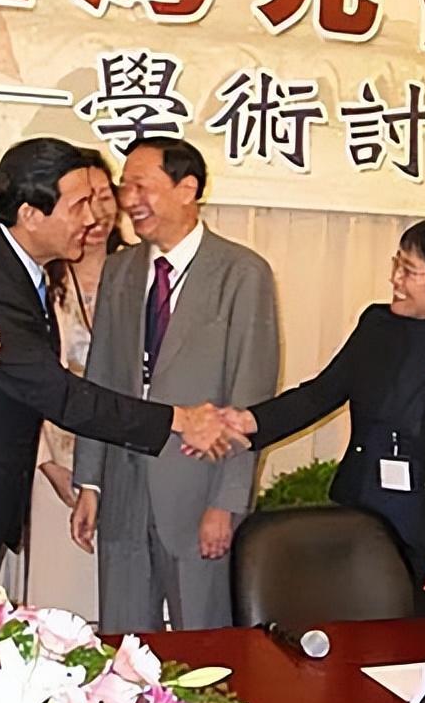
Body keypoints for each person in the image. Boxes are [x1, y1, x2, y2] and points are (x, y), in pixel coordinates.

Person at [0, 137, 244, 643]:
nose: (94, 216)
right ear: (30, 214)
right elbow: (61, 396)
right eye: (78, 204)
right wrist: (179, 419)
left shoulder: (11, 266)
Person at [221, 219, 425, 618]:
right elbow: (321, 393)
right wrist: (250, 421)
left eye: (409, 271)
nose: (395, 278)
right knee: (352, 641)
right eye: (397, 263)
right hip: (358, 525)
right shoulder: (376, 326)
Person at [71, 137, 280, 632]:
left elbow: (251, 395)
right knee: (123, 643)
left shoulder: (242, 273)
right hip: (123, 487)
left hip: (198, 489)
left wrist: (226, 503)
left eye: (141, 186)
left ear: (187, 189)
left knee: (203, 642)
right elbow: (100, 382)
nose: (128, 200)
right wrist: (90, 482)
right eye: (125, 187)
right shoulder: (120, 269)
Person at [20, 149, 125, 617]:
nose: (95, 213)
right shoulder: (39, 281)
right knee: (57, 604)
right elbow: (22, 382)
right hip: (52, 461)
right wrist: (48, 463)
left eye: (104, 197)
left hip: (124, 463)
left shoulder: (142, 275)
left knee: (121, 604)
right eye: (83, 201)